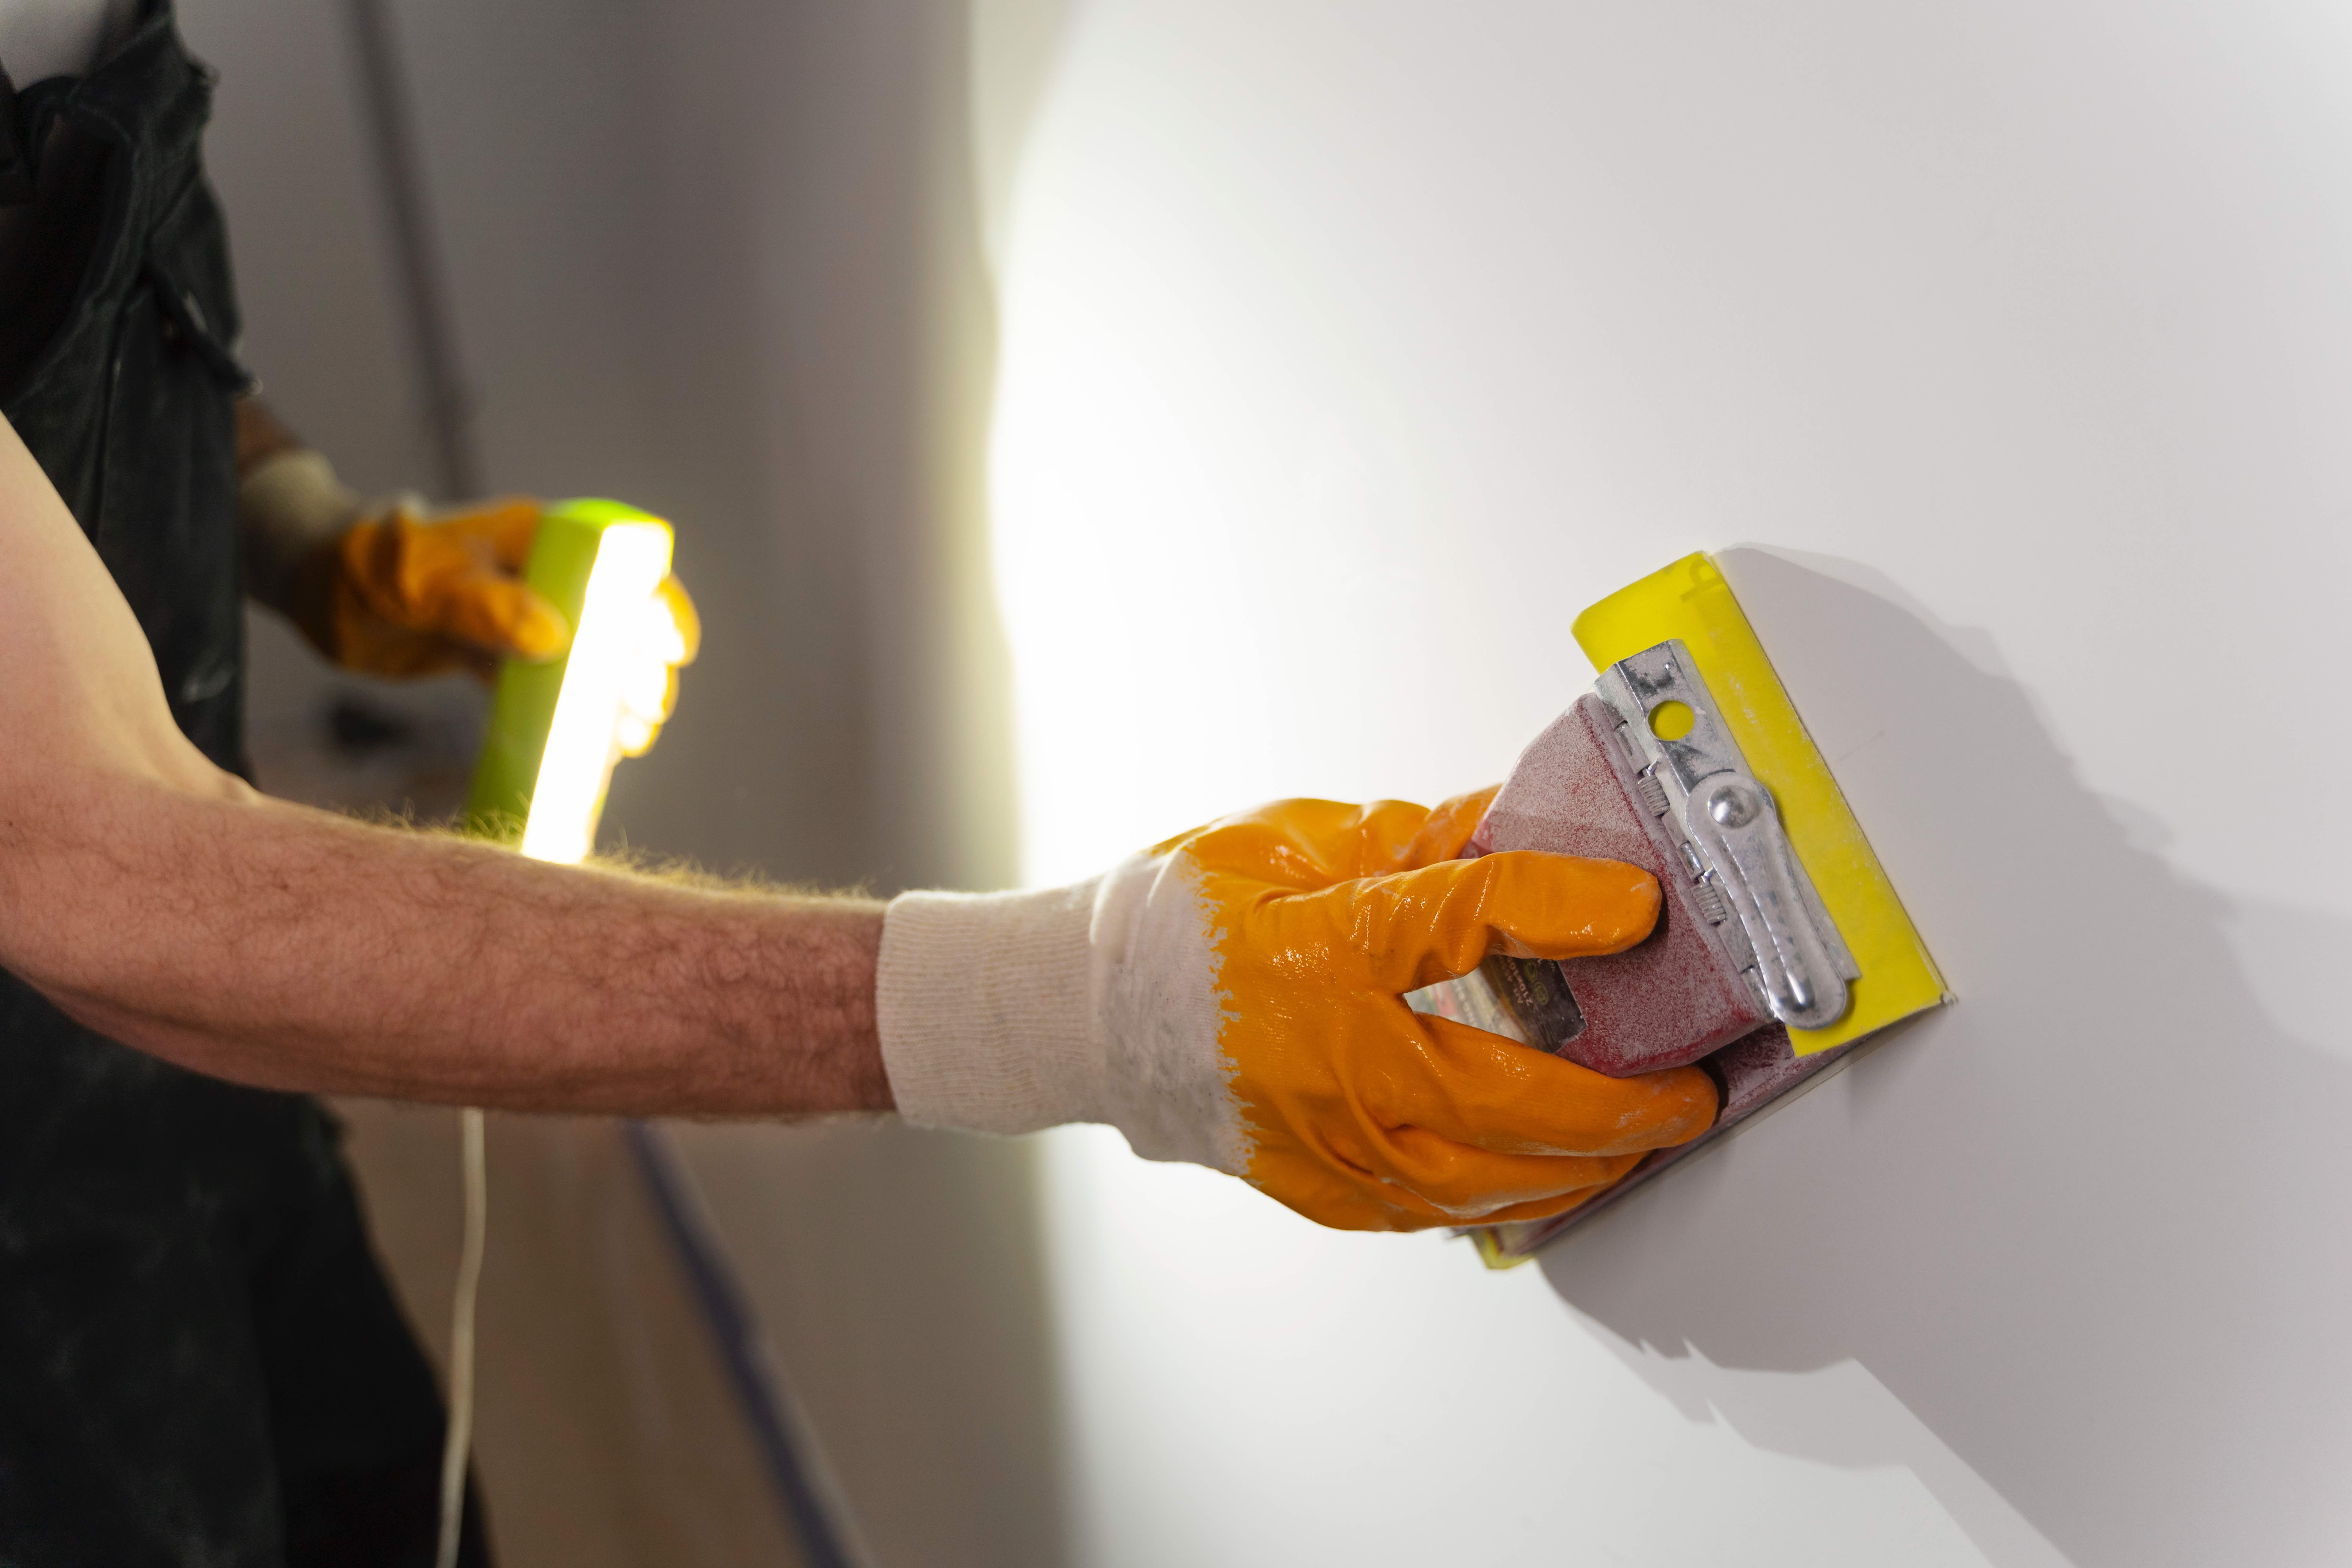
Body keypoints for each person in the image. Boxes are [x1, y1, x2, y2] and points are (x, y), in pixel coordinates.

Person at [0, 2, 1719, 1564]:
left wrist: (316, 541)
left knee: (370, 1484)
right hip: (38, 1176)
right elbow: (95, 862)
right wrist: (1099, 1006)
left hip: (199, 1106)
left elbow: (79, 277)